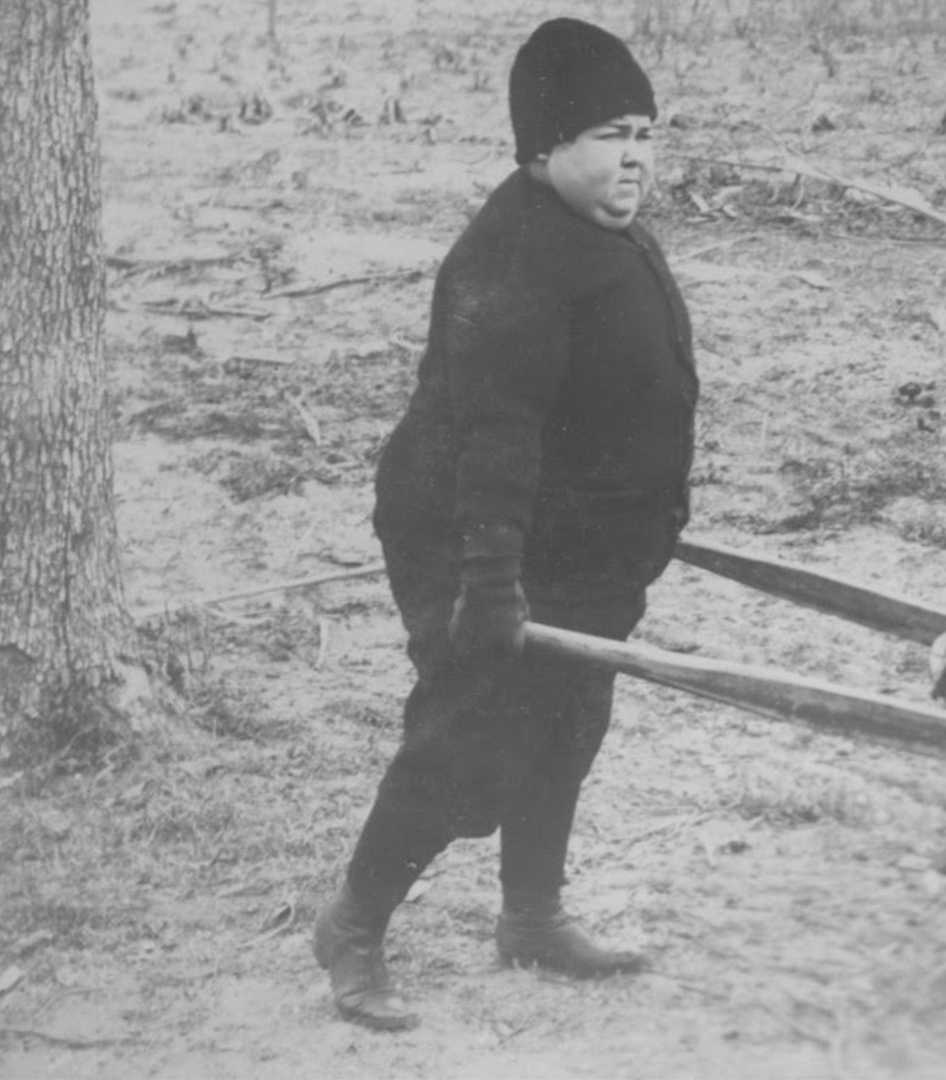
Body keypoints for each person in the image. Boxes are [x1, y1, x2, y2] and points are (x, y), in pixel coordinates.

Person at [311, 17, 696, 1032]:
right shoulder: (513, 258)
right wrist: (489, 587)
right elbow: (494, 433)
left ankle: (532, 915)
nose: (634, 157)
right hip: (479, 535)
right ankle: (353, 924)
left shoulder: (606, 232)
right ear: (542, 148)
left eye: (646, 132)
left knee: (568, 721)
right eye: (609, 134)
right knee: (470, 731)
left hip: (578, 543)